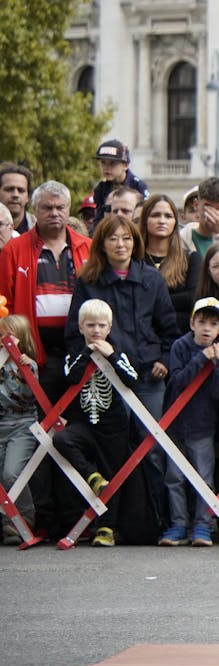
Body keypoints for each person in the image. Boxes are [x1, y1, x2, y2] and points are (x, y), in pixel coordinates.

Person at [65, 213, 179, 424]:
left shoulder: (152, 279)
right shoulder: (88, 281)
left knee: (152, 444)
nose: (120, 244)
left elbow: (169, 329)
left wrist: (164, 360)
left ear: (135, 243)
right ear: (101, 244)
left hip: (149, 376)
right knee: (114, 444)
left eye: (126, 238)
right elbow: (74, 331)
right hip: (106, 373)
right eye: (112, 238)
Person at [53, 300, 142, 546]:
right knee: (62, 439)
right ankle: (90, 475)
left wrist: (111, 355)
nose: (96, 330)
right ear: (81, 327)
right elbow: (70, 376)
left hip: (113, 426)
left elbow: (132, 379)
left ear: (109, 327)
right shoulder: (74, 353)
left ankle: (106, 527)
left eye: (101, 325)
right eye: (90, 325)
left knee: (114, 474)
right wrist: (87, 353)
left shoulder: (118, 351)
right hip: (84, 423)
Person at [0, 182, 91, 399]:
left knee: (76, 417)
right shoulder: (13, 250)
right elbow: (4, 302)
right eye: (47, 208)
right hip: (33, 352)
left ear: (68, 210)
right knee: (40, 419)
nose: (54, 213)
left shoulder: (88, 247)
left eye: (60, 207)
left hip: (80, 350)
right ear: (34, 210)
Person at [157, 297, 219, 547]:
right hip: (176, 424)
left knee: (204, 477)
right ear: (192, 323)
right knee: (174, 476)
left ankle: (203, 524)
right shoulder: (180, 346)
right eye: (201, 322)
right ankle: (178, 524)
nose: (206, 328)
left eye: (213, 324)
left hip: (202, 425)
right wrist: (201, 359)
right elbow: (177, 382)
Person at [0, 314, 40, 537]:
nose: (4, 340)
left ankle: (24, 518)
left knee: (12, 473)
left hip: (21, 426)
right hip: (1, 424)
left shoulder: (27, 365)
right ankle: (9, 522)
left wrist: (18, 364)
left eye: (9, 336)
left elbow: (27, 395)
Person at [139, 194, 201, 322]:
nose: (162, 221)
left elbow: (192, 299)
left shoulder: (191, 259)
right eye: (155, 215)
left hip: (179, 334)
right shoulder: (134, 259)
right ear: (145, 219)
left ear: (175, 222)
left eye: (168, 216)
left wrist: (150, 300)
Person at [89, 139, 148, 229]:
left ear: (125, 165)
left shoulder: (139, 186)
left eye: (113, 163)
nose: (106, 168)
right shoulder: (100, 189)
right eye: (103, 163)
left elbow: (145, 216)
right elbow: (99, 219)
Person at [0, 162, 32, 237]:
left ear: (28, 197)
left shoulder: (40, 229)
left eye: (21, 190)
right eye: (9, 189)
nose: (15, 195)